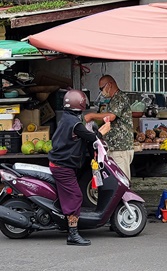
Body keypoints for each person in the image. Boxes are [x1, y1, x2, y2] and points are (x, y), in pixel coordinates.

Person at [48, 89, 109, 246]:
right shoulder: (74, 123)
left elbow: (84, 135)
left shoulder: (67, 118)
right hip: (63, 167)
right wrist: (102, 132)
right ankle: (73, 234)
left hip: (62, 164)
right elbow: (90, 136)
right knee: (76, 196)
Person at [85, 75, 134, 184]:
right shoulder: (113, 100)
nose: (101, 92)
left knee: (122, 182)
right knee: (115, 181)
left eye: (101, 88)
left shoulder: (120, 98)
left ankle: (126, 201)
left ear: (109, 85)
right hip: (114, 147)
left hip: (121, 147)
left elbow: (112, 116)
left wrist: (92, 116)